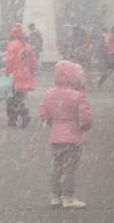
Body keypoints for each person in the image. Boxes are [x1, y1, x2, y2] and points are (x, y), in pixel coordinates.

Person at [39, 60, 93, 208]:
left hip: (56, 137)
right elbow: (86, 118)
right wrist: (82, 128)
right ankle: (68, 197)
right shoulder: (78, 96)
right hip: (73, 138)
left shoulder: (49, 94)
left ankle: (55, 196)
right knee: (70, 168)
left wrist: (55, 125)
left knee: (57, 167)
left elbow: (43, 114)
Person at [4, 24, 37, 128]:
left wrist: (7, 73)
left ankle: (13, 118)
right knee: (20, 98)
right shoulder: (27, 46)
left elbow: (9, 61)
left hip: (14, 76)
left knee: (10, 98)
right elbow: (33, 62)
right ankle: (24, 113)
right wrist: (31, 73)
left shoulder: (12, 44)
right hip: (25, 76)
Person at [98, 24, 114, 91]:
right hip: (109, 57)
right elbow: (106, 48)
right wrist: (110, 55)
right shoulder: (108, 38)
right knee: (106, 74)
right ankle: (100, 84)